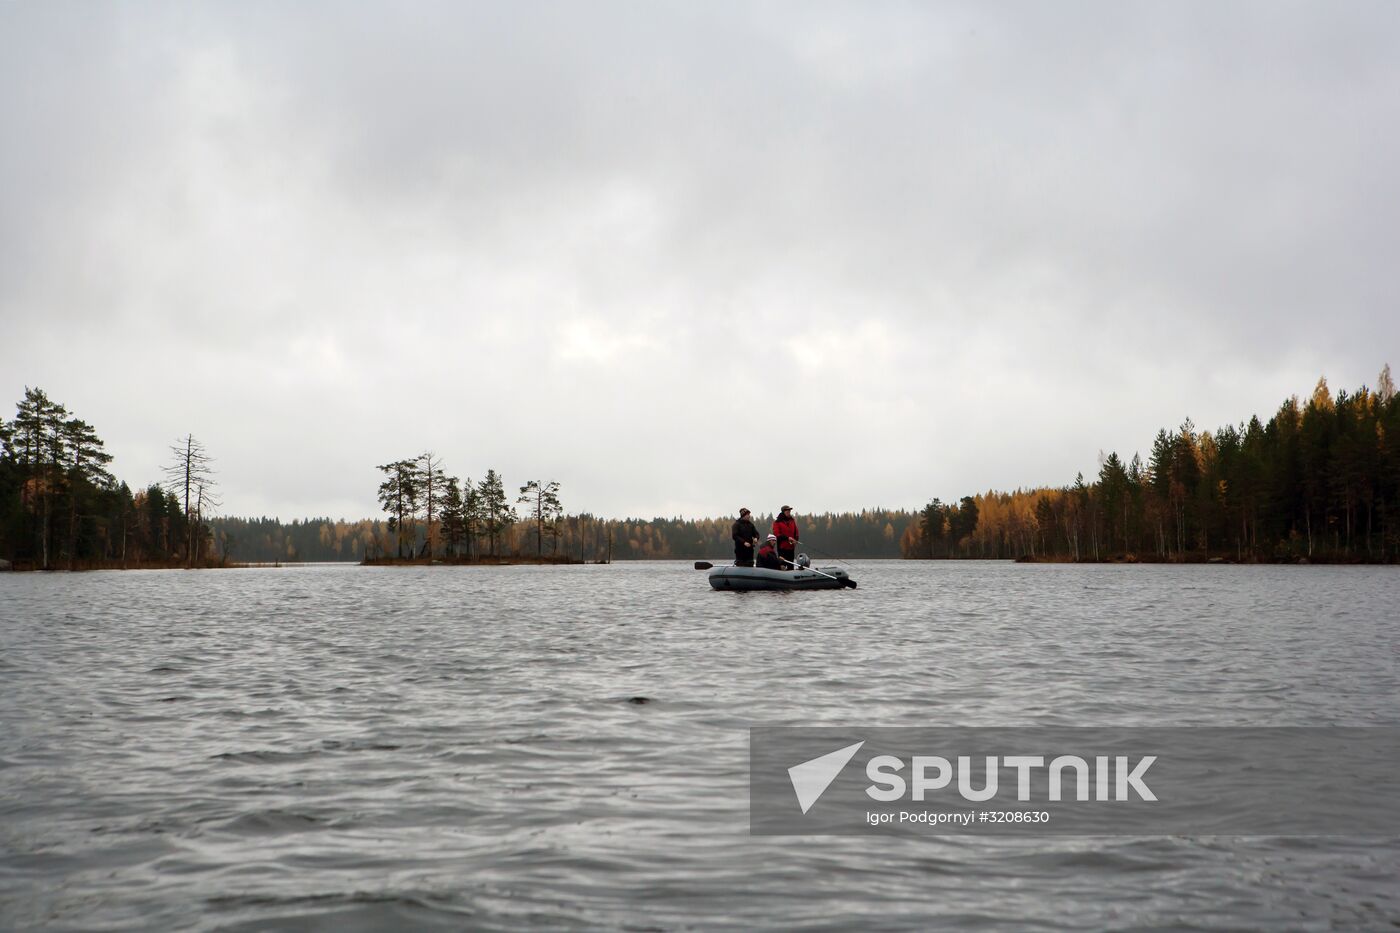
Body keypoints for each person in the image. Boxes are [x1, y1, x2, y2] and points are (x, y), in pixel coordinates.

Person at [772, 505, 799, 569]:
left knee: (790, 566)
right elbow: (777, 534)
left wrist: (796, 540)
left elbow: (796, 532)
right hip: (782, 548)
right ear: (783, 511)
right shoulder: (777, 522)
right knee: (782, 566)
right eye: (787, 510)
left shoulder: (792, 520)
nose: (789, 511)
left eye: (790, 510)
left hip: (791, 548)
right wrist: (787, 538)